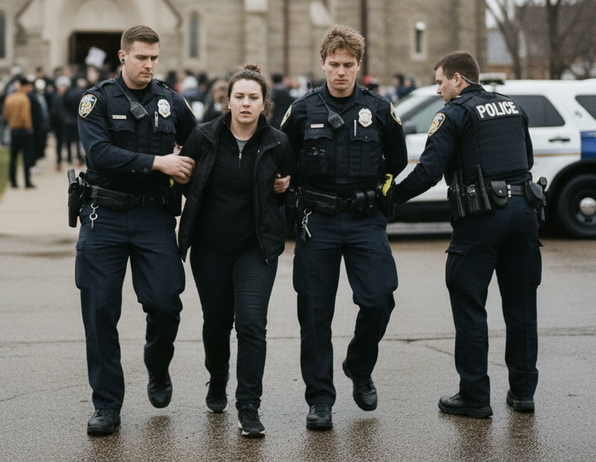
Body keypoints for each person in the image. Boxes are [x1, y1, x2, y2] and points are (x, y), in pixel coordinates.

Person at [394, 52, 541, 418]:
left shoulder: (453, 113)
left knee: (470, 303)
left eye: (440, 82)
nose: (438, 90)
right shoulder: (512, 107)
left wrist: (390, 198)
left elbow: (429, 171)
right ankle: (523, 393)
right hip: (524, 213)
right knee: (522, 307)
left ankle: (475, 396)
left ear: (458, 79)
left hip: (481, 217)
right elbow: (526, 159)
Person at [279, 24, 408, 430]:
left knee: (379, 299)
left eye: (348, 65)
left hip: (365, 220)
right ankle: (320, 399)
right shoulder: (302, 110)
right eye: (334, 64)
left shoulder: (380, 109)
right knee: (315, 313)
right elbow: (282, 159)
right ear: (322, 63)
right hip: (317, 220)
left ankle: (359, 365)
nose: (340, 72)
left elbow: (397, 160)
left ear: (358, 65)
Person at [75, 25, 197, 436]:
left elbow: (200, 143)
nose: (149, 65)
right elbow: (98, 153)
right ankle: (107, 405)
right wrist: (159, 163)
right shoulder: (96, 100)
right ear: (123, 56)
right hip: (104, 216)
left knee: (165, 302)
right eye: (141, 57)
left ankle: (157, 365)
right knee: (100, 313)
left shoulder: (171, 101)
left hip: (153, 217)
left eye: (154, 58)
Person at [176, 65, 295, 438]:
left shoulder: (278, 142)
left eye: (253, 97)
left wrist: (285, 188)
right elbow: (188, 184)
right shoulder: (203, 137)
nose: (246, 103)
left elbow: (288, 190)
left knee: (251, 324)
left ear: (264, 103)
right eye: (239, 96)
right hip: (210, 248)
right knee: (216, 325)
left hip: (255, 249)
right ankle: (217, 379)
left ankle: (248, 407)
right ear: (227, 101)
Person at [3, 77, 35, 188]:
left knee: (13, 157)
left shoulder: (9, 98)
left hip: (13, 130)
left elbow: (6, 114)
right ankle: (27, 181)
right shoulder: (24, 99)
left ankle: (13, 181)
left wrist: (11, 122)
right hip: (24, 130)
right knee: (26, 157)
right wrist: (29, 128)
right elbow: (25, 116)